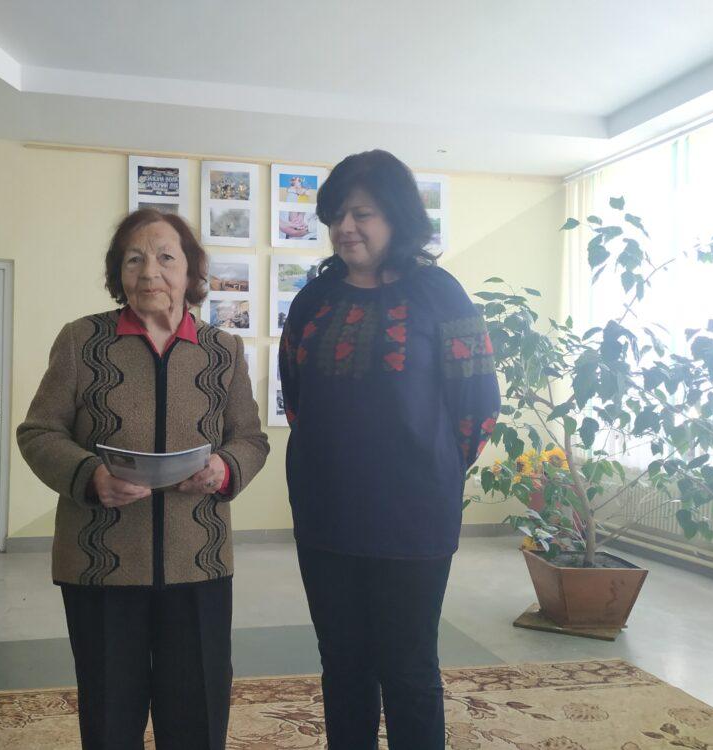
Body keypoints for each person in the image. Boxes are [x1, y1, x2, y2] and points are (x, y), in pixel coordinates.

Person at [17, 208, 269, 750]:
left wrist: (225, 467)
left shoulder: (222, 350)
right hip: (101, 565)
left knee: (198, 713)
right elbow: (39, 432)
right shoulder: (82, 341)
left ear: (191, 271)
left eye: (165, 257)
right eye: (134, 259)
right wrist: (90, 476)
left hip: (198, 561)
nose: (150, 271)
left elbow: (250, 438)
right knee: (110, 714)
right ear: (118, 272)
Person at [279, 150, 500, 749]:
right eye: (336, 215)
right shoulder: (313, 302)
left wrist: (428, 468)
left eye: (362, 214)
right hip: (325, 515)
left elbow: (478, 404)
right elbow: (297, 399)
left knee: (408, 668)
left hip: (413, 518)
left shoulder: (440, 296)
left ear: (397, 217)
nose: (346, 227)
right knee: (342, 663)